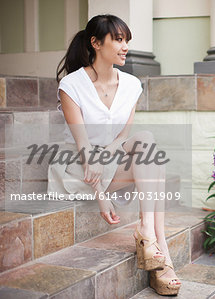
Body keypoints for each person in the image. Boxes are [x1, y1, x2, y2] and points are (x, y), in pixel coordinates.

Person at [50, 14, 181, 296]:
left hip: (109, 159)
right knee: (154, 170)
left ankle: (148, 234)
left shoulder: (132, 84)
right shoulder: (71, 86)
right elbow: (82, 145)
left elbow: (123, 136)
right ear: (96, 43)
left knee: (145, 141)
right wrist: (101, 195)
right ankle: (162, 257)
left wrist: (110, 151)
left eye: (126, 40)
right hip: (78, 167)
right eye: (118, 39)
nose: (125, 47)